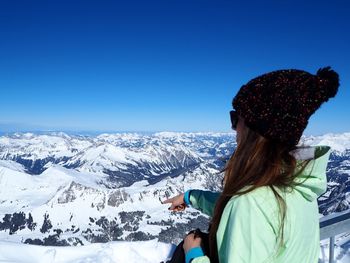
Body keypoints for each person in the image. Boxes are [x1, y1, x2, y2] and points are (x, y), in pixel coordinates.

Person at [162, 67, 340, 263]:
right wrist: (191, 197)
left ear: (255, 129)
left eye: (235, 118)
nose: (233, 128)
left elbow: (248, 211)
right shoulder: (298, 186)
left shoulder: (251, 203)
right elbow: (242, 213)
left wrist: (194, 254)